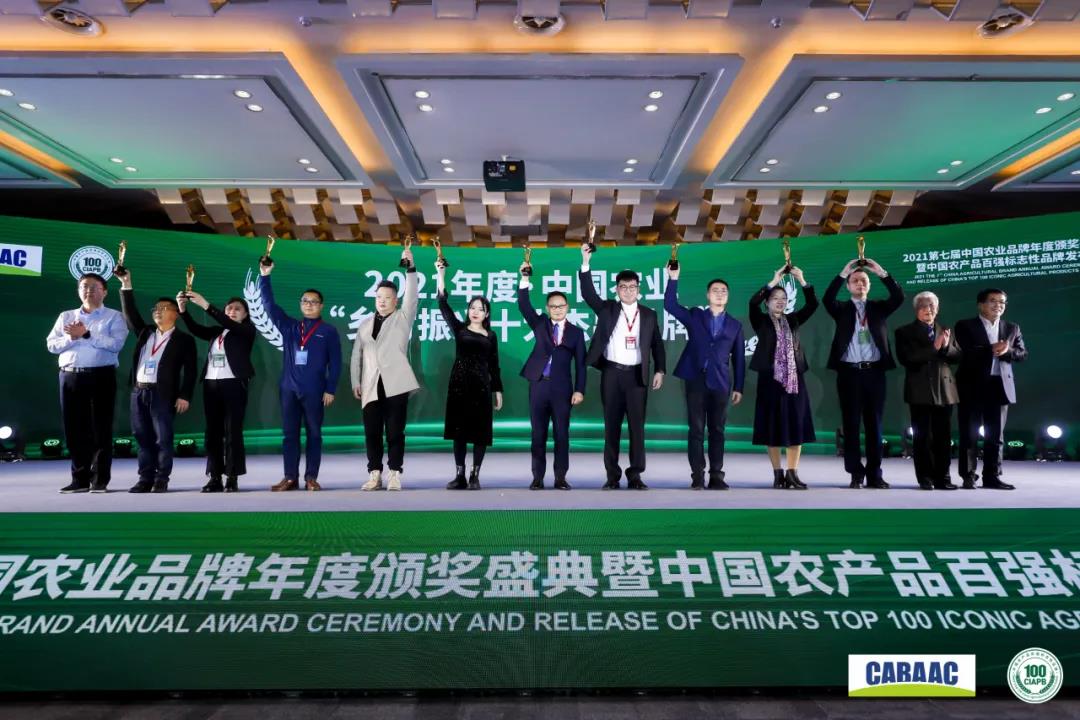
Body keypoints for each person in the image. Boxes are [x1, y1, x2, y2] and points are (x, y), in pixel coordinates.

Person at [579, 246, 665, 490]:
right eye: (623, 287)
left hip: (637, 376)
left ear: (639, 290)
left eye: (632, 287)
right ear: (617, 290)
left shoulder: (649, 315)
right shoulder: (607, 309)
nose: (628, 290)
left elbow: (657, 344)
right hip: (612, 374)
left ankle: (635, 475)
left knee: (637, 428)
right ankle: (612, 476)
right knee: (612, 427)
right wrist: (585, 262)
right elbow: (588, 294)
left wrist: (660, 370)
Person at [258, 258, 341, 491]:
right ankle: (290, 477)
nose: (309, 304)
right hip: (288, 389)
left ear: (321, 306)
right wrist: (265, 276)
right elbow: (269, 306)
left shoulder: (328, 331)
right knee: (289, 435)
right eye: (305, 301)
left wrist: (330, 388)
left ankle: (311, 477)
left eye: (313, 302)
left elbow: (335, 363)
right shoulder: (290, 327)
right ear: (300, 304)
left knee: (314, 434)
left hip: (315, 391)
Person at [823, 258, 904, 489]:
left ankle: (875, 474)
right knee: (851, 426)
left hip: (875, 374)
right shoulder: (841, 309)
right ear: (849, 286)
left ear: (869, 285)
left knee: (874, 427)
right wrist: (843, 272)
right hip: (849, 374)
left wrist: (880, 271)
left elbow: (898, 297)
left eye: (864, 280)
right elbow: (827, 298)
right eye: (855, 280)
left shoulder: (879, 308)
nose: (860, 283)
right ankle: (856, 474)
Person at [46, 273, 129, 493]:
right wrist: (71, 337)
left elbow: (116, 345)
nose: (88, 290)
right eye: (84, 286)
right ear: (78, 290)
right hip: (70, 376)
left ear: (105, 292)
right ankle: (80, 479)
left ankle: (100, 479)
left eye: (94, 287)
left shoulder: (115, 317)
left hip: (101, 376)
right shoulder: (66, 316)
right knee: (74, 429)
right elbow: (52, 345)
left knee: (101, 428)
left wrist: (86, 334)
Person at [115, 268, 197, 493]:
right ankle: (145, 478)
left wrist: (185, 395)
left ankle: (162, 478)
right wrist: (126, 284)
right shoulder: (146, 333)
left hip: (163, 394)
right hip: (138, 392)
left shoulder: (184, 340)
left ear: (175, 314)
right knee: (142, 437)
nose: (158, 312)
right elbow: (130, 314)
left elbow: (191, 370)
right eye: (155, 309)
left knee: (162, 438)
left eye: (163, 308)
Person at [664, 266, 745, 490]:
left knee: (717, 430)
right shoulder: (695, 316)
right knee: (696, 430)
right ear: (707, 295)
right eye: (715, 290)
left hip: (721, 382)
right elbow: (670, 305)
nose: (719, 294)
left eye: (723, 291)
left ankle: (716, 475)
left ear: (728, 297)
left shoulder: (735, 325)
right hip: (696, 380)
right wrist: (673, 278)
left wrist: (739, 386)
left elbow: (739, 358)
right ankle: (697, 475)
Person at [352, 247, 419, 492]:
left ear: (395, 300)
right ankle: (374, 474)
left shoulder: (403, 317)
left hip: (396, 384)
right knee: (371, 432)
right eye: (378, 296)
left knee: (395, 432)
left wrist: (411, 268)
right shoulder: (365, 324)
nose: (382, 300)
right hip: (370, 385)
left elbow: (412, 295)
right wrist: (355, 381)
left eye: (387, 297)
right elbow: (356, 356)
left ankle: (394, 473)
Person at [177, 290, 256, 493]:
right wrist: (183, 310)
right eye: (229, 308)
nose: (232, 311)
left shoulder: (246, 331)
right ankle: (214, 476)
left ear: (246, 314)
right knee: (212, 432)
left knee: (232, 431)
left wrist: (206, 304)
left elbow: (228, 322)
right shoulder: (217, 332)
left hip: (234, 384)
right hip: (211, 384)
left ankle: (232, 476)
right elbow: (195, 329)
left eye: (238, 309)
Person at [517, 263, 586, 490]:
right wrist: (524, 279)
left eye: (561, 306)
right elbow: (524, 305)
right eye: (553, 306)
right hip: (538, 386)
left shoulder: (576, 333)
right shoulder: (540, 324)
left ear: (567, 307)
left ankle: (560, 477)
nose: (557, 309)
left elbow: (581, 365)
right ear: (547, 308)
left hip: (562, 390)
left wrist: (579, 390)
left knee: (561, 435)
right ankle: (537, 477)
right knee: (538, 434)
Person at [436, 258, 504, 490]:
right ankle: (460, 475)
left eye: (480, 309)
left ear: (487, 314)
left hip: (482, 387)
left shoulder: (491, 336)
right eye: (472, 308)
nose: (475, 312)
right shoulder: (460, 329)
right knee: (459, 432)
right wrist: (441, 275)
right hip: (459, 385)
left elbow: (494, 364)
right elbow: (443, 304)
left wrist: (497, 391)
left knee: (480, 432)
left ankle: (475, 475)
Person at [748, 267, 818, 490]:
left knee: (796, 425)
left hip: (794, 380)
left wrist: (802, 280)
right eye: (775, 298)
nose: (780, 301)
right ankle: (778, 474)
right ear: (767, 302)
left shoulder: (793, 319)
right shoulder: (760, 320)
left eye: (783, 298)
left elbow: (813, 304)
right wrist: (773, 280)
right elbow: (752, 303)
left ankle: (792, 473)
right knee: (772, 426)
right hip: (770, 381)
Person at [954, 288, 1028, 490]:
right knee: (969, 434)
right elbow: (965, 350)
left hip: (1000, 386)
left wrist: (1007, 350)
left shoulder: (1012, 327)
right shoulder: (965, 325)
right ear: (981, 305)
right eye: (993, 301)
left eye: (1002, 302)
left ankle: (992, 476)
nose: (998, 305)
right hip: (971, 385)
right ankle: (968, 476)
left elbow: (1022, 353)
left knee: (996, 436)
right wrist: (992, 349)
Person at [895, 291, 961, 491]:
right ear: (916, 310)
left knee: (943, 437)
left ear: (937, 309)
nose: (928, 309)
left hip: (945, 390)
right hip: (920, 391)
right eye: (923, 306)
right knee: (923, 437)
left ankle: (943, 478)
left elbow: (957, 356)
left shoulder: (945, 329)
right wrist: (935, 347)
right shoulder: (904, 332)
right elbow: (907, 359)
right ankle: (925, 478)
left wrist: (946, 346)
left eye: (932, 306)